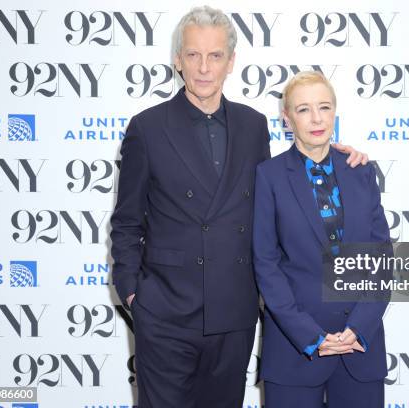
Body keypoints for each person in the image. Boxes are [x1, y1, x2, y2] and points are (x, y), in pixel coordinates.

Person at [110, 7, 369, 408]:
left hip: (233, 314)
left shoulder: (253, 126)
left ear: (231, 63)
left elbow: (284, 183)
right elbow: (126, 223)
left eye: (215, 56)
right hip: (165, 314)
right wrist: (133, 296)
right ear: (177, 60)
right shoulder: (147, 128)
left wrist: (332, 155)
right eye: (193, 55)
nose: (203, 68)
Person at [253, 71, 390, 407]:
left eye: (324, 107)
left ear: (334, 112)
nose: (316, 118)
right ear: (287, 119)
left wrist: (359, 327)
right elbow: (266, 265)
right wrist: (309, 336)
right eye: (303, 110)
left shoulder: (361, 171)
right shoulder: (268, 176)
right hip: (294, 353)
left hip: (359, 349)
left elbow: (380, 259)